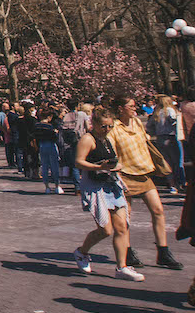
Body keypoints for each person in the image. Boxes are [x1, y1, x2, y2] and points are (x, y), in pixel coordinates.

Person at [107, 97, 184, 270]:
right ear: (121, 108)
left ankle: (163, 252)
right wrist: (116, 175)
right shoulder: (113, 128)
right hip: (125, 175)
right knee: (125, 218)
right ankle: (127, 252)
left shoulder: (136, 122)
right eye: (131, 106)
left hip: (144, 173)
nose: (135, 108)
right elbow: (111, 152)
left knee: (158, 210)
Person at [72, 107, 141, 281]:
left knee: (122, 227)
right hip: (96, 187)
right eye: (103, 126)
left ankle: (122, 267)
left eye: (110, 126)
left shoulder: (106, 138)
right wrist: (99, 167)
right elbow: (79, 162)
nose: (107, 130)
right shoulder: (88, 139)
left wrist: (113, 166)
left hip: (112, 184)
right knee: (105, 230)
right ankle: (82, 252)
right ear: (94, 124)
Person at [148, 95, 184, 193]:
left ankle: (171, 184)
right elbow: (174, 121)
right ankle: (178, 183)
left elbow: (149, 126)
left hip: (160, 138)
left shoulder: (156, 112)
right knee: (176, 162)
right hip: (170, 137)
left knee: (166, 162)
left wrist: (154, 132)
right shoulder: (169, 111)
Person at [35, 107, 65, 194]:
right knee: (54, 166)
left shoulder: (37, 126)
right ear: (49, 117)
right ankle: (56, 186)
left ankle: (47, 187)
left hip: (42, 145)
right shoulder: (50, 126)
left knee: (44, 166)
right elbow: (54, 137)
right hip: (51, 144)